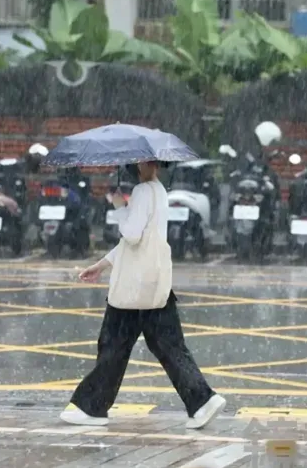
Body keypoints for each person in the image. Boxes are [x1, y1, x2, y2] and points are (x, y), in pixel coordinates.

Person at [60, 160, 226, 429]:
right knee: (170, 347)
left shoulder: (142, 191)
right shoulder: (159, 191)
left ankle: (91, 407)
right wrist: (101, 265)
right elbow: (139, 243)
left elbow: (132, 235)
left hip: (133, 288)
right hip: (155, 283)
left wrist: (119, 206)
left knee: (113, 345)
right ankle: (202, 401)